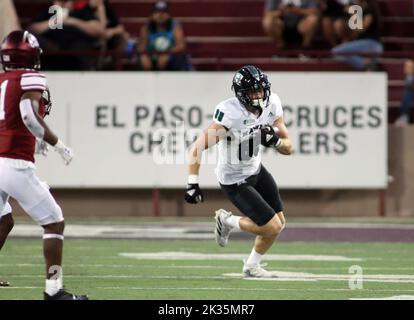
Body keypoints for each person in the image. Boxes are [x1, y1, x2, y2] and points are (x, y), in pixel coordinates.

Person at [0, 30, 88, 300]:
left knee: (3, 220)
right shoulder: (29, 77)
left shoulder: (2, 79)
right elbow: (27, 115)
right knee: (54, 223)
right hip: (12, 162)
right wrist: (57, 143)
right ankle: (54, 291)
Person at [184, 65, 293, 278]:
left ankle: (251, 266)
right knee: (270, 227)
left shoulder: (273, 105)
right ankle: (227, 221)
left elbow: (289, 147)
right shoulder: (231, 114)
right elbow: (197, 147)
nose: (258, 95)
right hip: (234, 179)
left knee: (279, 224)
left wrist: (277, 142)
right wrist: (192, 183)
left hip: (256, 170)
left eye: (261, 90)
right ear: (241, 94)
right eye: (252, 92)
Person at [28, 0, 106, 70]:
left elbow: (98, 30)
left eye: (65, 1)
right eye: (60, 1)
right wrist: (56, 21)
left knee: (80, 46)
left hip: (76, 50)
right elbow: (32, 29)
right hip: (51, 47)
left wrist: (71, 21)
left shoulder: (81, 13)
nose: (62, 4)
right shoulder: (48, 14)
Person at [138, 1, 190, 71]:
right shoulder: (146, 28)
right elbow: (141, 47)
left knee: (177, 59)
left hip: (171, 57)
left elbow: (181, 46)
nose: (160, 15)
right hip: (153, 56)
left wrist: (167, 53)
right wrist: (144, 56)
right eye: (157, 12)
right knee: (143, 59)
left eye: (164, 12)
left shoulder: (175, 26)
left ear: (169, 15)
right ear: (152, 15)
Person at [331, 0, 383, 71]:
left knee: (336, 52)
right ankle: (365, 65)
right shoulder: (359, 11)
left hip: (372, 44)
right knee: (336, 54)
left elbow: (362, 28)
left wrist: (354, 13)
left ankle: (365, 65)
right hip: (362, 44)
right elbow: (355, 33)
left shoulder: (369, 11)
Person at [395, 60, 414, 126]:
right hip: (410, 93)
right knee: (407, 94)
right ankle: (404, 116)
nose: (406, 69)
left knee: (407, 93)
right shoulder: (408, 76)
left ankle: (404, 116)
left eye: (409, 67)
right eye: (406, 67)